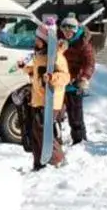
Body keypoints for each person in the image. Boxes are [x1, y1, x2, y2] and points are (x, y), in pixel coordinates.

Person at [20, 22, 71, 170]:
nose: (35, 41)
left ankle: (57, 159)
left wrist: (53, 78)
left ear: (45, 40)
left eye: (38, 38)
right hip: (38, 100)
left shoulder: (57, 57)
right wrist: (25, 69)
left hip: (51, 101)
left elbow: (65, 77)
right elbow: (37, 74)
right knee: (36, 132)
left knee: (44, 132)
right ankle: (39, 163)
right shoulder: (40, 55)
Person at [58, 16, 96, 146]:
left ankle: (80, 141)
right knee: (56, 114)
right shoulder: (59, 41)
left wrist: (84, 77)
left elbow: (89, 63)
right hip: (60, 80)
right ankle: (56, 140)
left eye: (69, 32)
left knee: (75, 116)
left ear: (75, 31)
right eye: (64, 31)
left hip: (75, 82)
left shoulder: (83, 43)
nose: (66, 34)